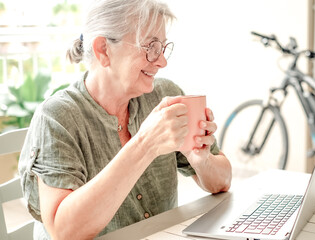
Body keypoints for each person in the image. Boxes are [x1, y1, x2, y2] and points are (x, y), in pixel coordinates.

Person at [18, 0, 232, 239]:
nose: (162, 61)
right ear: (103, 50)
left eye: (162, 47)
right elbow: (64, 231)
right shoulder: (57, 117)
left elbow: (222, 183)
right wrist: (144, 145)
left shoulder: (165, 95)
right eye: (150, 46)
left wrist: (201, 160)